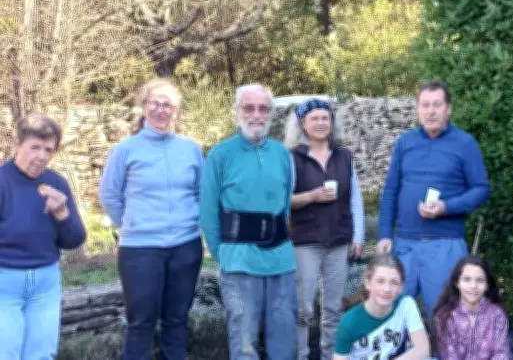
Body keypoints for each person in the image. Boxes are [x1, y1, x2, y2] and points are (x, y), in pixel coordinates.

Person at [100, 79, 205, 360]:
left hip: (185, 246)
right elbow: (110, 195)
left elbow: (200, 192)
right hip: (140, 250)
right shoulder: (125, 149)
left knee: (177, 320)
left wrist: (189, 221)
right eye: (155, 103)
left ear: (176, 111)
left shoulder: (191, 149)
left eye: (167, 104)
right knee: (141, 322)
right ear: (144, 107)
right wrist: (132, 224)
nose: (161, 110)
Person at [377, 80, 491, 318]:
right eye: (425, 105)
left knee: (445, 318)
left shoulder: (465, 143)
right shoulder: (405, 143)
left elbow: (481, 190)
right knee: (394, 316)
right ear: (418, 109)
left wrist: (446, 207)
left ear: (448, 109)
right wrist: (385, 234)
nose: (431, 111)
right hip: (404, 245)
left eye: (437, 105)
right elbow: (390, 191)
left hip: (445, 246)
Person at [200, 84, 297, 360]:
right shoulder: (220, 155)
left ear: (271, 114)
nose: (256, 114)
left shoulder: (282, 154)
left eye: (263, 108)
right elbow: (208, 212)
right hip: (239, 262)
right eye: (249, 108)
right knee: (243, 343)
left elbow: (285, 206)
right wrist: (224, 255)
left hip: (281, 261)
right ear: (237, 112)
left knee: (284, 341)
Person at [0, 114, 87, 360]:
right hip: (5, 282)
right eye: (34, 147)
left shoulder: (56, 182)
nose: (41, 156)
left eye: (48, 149)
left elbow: (74, 240)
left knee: (41, 355)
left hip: (45, 283)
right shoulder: (2, 181)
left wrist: (63, 213)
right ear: (17, 145)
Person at [285, 98, 366, 360]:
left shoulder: (344, 156)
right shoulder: (292, 158)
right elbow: (282, 201)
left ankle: (331, 355)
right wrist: (311, 196)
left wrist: (358, 235)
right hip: (305, 242)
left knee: (333, 308)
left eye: (325, 118)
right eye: (314, 118)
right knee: (302, 309)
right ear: (302, 125)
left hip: (338, 241)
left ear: (332, 122)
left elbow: (355, 198)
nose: (321, 123)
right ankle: (301, 355)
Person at [333, 254, 430, 360]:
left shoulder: (406, 304)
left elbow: (423, 349)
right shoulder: (349, 321)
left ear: (401, 287)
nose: (387, 289)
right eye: (380, 281)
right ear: (368, 283)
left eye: (394, 282)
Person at [432, 255, 513, 360]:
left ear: (487, 284)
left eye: (480, 280)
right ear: (457, 282)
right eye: (467, 280)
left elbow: (502, 353)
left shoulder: (497, 314)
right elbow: (450, 355)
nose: (473, 286)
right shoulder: (445, 316)